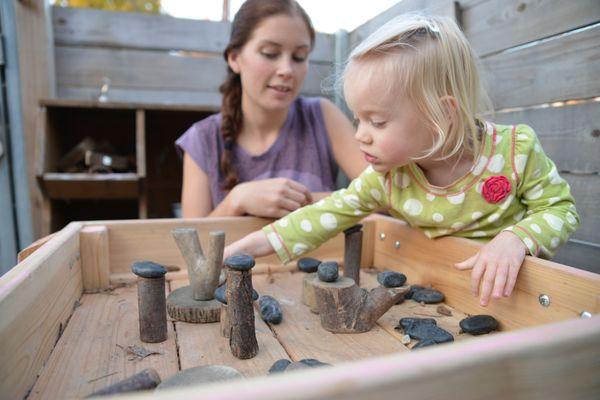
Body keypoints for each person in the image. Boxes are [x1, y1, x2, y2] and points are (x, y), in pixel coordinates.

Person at [223, 14, 580, 307]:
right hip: (447, 299)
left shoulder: (515, 150)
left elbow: (561, 210)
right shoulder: (389, 176)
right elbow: (322, 216)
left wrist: (515, 238)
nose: (361, 134)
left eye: (377, 122)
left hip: (522, 301)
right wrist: (248, 246)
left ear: (441, 115)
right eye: (357, 119)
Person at [176, 0, 366, 218]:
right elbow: (191, 245)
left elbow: (383, 195)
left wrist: (297, 201)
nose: (287, 70)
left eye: (299, 57)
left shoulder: (322, 115)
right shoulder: (201, 140)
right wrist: (237, 200)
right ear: (235, 58)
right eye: (270, 53)